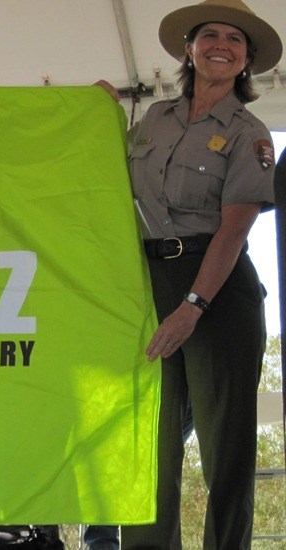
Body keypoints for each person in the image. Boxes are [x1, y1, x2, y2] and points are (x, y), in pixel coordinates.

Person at [115, 0, 281, 547]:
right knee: (147, 438)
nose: (221, 45)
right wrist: (94, 110)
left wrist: (193, 306)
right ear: (189, 48)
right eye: (209, 35)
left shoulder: (249, 131)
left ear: (246, 62)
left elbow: (235, 229)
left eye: (236, 41)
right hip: (148, 282)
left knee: (224, 449)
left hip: (218, 289)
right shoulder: (153, 118)